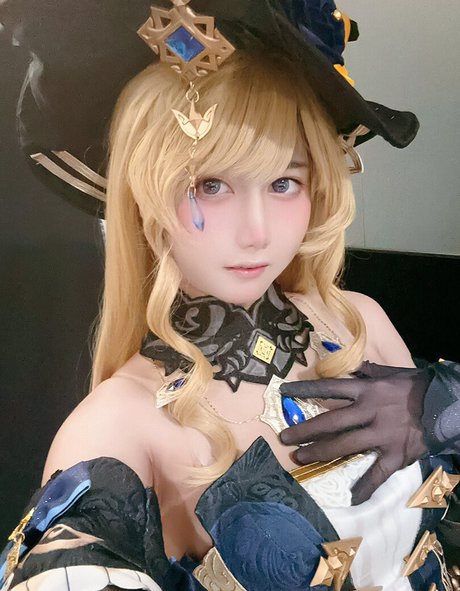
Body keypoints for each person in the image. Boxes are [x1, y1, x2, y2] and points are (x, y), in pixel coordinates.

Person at [0, 1, 458, 590]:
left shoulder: (358, 323)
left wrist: (446, 405)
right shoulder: (116, 426)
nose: (257, 232)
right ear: (143, 193)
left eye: (284, 182)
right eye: (210, 184)